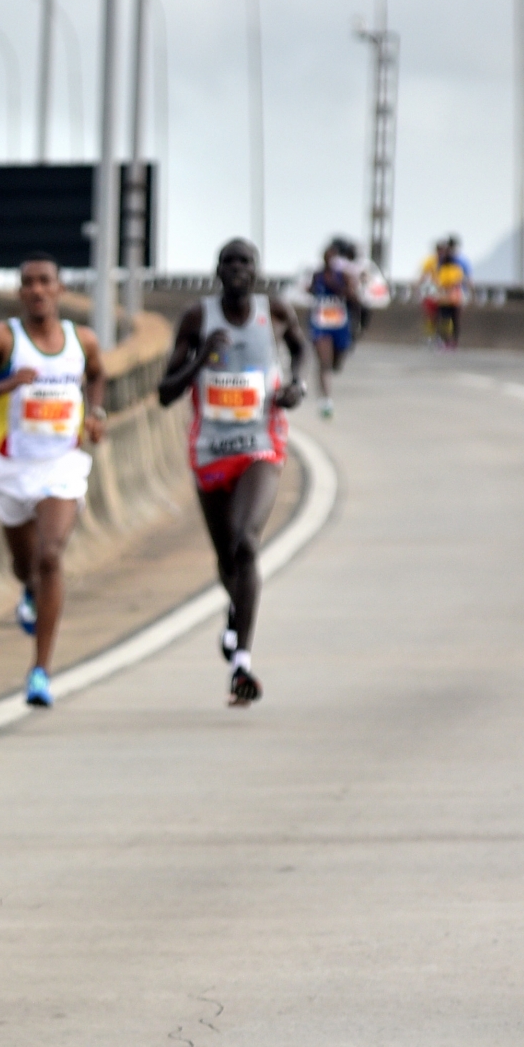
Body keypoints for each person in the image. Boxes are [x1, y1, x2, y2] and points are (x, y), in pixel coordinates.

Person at [157, 239, 307, 706]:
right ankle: (236, 614)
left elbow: (300, 352)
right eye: (229, 262)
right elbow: (165, 391)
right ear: (217, 271)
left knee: (246, 543)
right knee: (227, 558)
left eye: (246, 262)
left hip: (260, 445)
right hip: (210, 451)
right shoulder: (197, 319)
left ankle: (241, 661)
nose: (238, 269)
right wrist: (201, 358)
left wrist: (295, 386)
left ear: (256, 273)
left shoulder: (276, 313)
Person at [0, 253, 109, 707]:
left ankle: (40, 670)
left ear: (60, 289)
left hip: (62, 465)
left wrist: (96, 412)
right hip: (12, 468)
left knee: (51, 554)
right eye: (28, 283)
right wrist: (8, 384)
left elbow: (97, 374)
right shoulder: (4, 338)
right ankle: (27, 590)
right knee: (25, 566)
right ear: (20, 292)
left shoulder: (82, 341)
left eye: (45, 282)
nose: (37, 290)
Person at [307, 241, 360, 418]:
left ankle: (330, 374)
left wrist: (342, 288)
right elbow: (311, 290)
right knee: (324, 363)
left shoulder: (342, 275)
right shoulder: (317, 275)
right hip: (321, 323)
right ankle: (326, 400)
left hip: (339, 323)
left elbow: (353, 294)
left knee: (336, 362)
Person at [421, 235, 474, 349]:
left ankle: (448, 341)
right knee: (438, 318)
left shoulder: (456, 265)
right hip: (444, 297)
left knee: (450, 320)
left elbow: (461, 280)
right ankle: (440, 339)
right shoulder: (437, 264)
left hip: (449, 297)